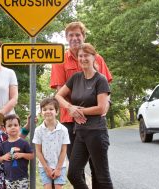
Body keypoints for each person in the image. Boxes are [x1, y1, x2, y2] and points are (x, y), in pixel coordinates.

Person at [50, 21, 113, 159]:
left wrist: (105, 108)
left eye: (78, 35)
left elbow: (106, 87)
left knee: (97, 164)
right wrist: (73, 110)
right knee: (74, 165)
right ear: (66, 38)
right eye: (70, 35)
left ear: (83, 36)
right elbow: (60, 93)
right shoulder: (60, 60)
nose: (74, 38)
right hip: (70, 119)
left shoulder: (97, 58)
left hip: (95, 119)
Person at [55, 43, 113, 189]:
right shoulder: (75, 78)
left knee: (102, 177)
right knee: (73, 174)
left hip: (97, 133)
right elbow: (58, 96)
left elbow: (101, 108)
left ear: (94, 57)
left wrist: (79, 111)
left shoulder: (100, 79)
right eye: (80, 56)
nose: (83, 58)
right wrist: (70, 107)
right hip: (80, 132)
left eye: (86, 55)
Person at [32, 97, 70, 189]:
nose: (47, 111)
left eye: (51, 109)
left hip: (60, 166)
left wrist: (58, 168)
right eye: (44, 109)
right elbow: (38, 151)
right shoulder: (38, 130)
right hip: (44, 166)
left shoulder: (63, 130)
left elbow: (63, 151)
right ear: (41, 112)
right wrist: (46, 168)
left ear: (56, 111)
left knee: (58, 187)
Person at [0, 114, 34, 189]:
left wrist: (22, 155)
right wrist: (3, 157)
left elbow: (32, 155)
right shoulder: (3, 145)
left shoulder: (24, 143)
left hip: (22, 178)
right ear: (5, 129)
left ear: (19, 127)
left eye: (15, 125)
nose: (13, 127)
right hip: (8, 179)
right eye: (9, 126)